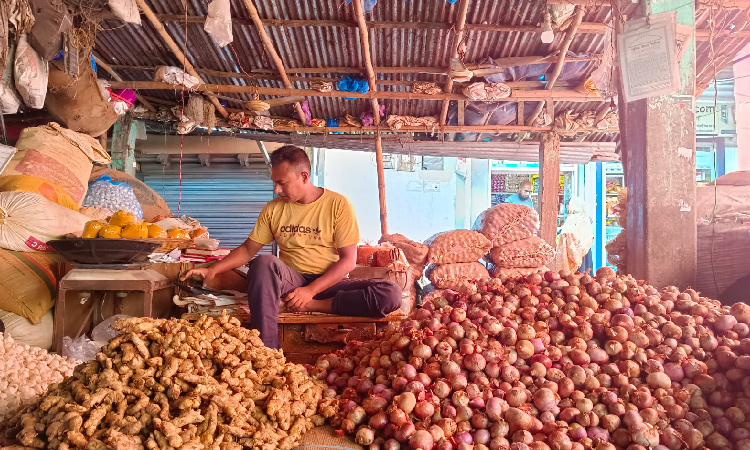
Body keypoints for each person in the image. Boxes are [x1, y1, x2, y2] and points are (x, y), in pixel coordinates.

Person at [181, 145, 402, 348]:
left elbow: (348, 261)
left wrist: (310, 293)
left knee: (390, 293)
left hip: (327, 284)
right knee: (263, 262)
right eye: (274, 182)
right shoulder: (273, 209)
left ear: (304, 176)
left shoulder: (338, 205)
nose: (276, 190)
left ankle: (312, 305)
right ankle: (268, 353)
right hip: (290, 282)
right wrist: (212, 270)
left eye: (282, 183)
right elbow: (248, 250)